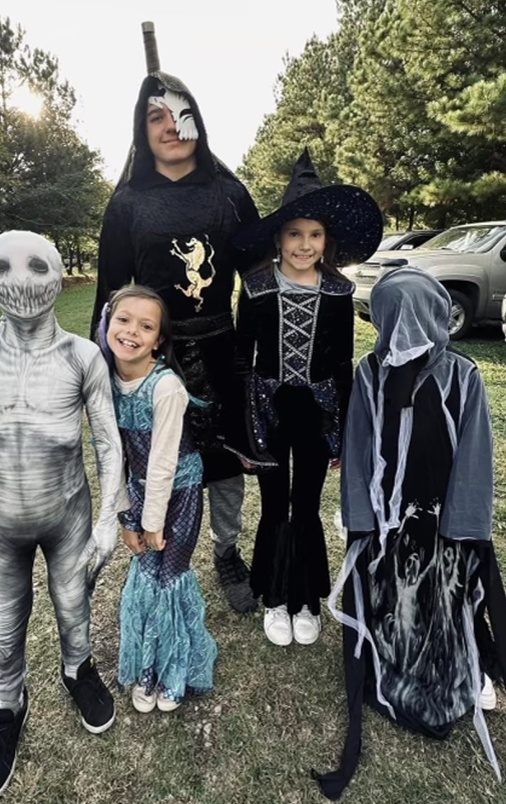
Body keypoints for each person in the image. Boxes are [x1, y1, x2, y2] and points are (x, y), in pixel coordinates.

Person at [0, 231, 127, 802]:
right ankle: (8, 708)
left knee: (73, 607)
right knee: (3, 626)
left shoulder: (83, 356)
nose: (20, 279)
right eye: (5, 268)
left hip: (68, 513)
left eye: (35, 265)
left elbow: (108, 443)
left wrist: (109, 519)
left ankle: (77, 670)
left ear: (59, 274)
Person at [317, 267, 506, 799]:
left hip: (441, 515)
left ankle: (461, 662)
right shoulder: (370, 373)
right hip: (388, 517)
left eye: (414, 313)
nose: (404, 326)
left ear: (435, 313)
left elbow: (474, 453)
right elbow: (358, 445)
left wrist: (465, 526)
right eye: (392, 315)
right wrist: (361, 516)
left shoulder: (462, 376)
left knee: (445, 594)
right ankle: (396, 655)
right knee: (394, 595)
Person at [90, 70, 260, 614]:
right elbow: (108, 296)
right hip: (153, 360)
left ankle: (227, 550)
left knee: (225, 462)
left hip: (221, 350)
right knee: (157, 459)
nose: (170, 126)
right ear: (142, 130)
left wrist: (254, 354)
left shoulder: (231, 196)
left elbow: (256, 284)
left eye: (179, 113)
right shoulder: (127, 206)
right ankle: (159, 541)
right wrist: (100, 374)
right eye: (155, 116)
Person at [227, 149, 383, 647]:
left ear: (327, 241)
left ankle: (306, 598)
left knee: (307, 505)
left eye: (314, 235)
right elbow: (240, 359)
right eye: (295, 233)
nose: (304, 244)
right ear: (278, 237)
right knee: (274, 505)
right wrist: (245, 432)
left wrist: (344, 430)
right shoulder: (254, 288)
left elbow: (342, 365)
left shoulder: (338, 292)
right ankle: (275, 596)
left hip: (317, 415)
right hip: (269, 413)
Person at [98, 284, 218, 712]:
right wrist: (124, 517)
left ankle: (175, 669)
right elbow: (111, 452)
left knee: (170, 577)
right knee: (146, 576)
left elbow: (164, 463)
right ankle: (146, 665)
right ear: (107, 324)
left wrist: (150, 523)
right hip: (139, 495)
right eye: (123, 320)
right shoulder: (104, 381)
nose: (131, 332)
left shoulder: (166, 387)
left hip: (179, 493)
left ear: (159, 339)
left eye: (145, 326)